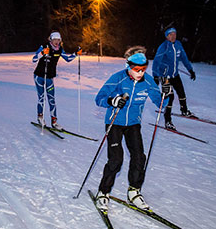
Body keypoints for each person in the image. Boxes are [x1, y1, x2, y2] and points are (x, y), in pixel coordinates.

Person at [94, 46, 169, 212]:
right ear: (129, 67)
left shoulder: (148, 81)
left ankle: (134, 191)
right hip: (115, 122)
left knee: (139, 157)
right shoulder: (118, 78)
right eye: (137, 70)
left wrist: (166, 94)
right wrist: (113, 101)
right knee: (116, 159)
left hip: (133, 124)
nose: (140, 73)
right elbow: (99, 98)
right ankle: (103, 192)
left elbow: (161, 103)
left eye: (143, 69)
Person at [32, 31, 82, 130]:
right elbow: (34, 59)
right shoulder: (44, 46)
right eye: (54, 39)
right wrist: (42, 53)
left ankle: (54, 121)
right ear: (50, 39)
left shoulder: (59, 50)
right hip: (39, 76)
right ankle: (40, 117)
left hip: (50, 77)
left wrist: (76, 54)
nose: (56, 42)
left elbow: (67, 59)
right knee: (41, 98)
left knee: (52, 99)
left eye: (58, 40)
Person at [152, 27, 196, 130]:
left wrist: (190, 70)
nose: (173, 36)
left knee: (181, 92)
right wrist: (155, 76)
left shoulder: (178, 45)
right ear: (167, 36)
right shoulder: (163, 47)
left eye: (174, 34)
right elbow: (156, 61)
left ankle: (184, 110)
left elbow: (184, 58)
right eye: (170, 34)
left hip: (175, 75)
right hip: (165, 76)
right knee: (169, 98)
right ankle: (168, 121)